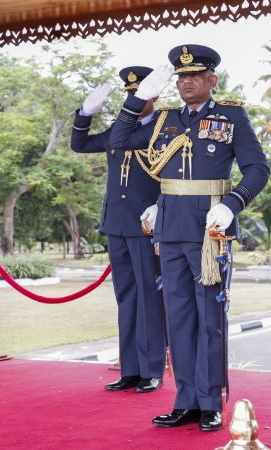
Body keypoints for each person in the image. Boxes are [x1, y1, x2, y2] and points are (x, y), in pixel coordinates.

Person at [109, 45, 270, 432]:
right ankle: (185, 401)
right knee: (178, 318)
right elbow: (119, 138)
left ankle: (210, 401)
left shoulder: (231, 117)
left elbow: (257, 168)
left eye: (195, 75)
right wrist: (140, 98)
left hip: (210, 229)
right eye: (181, 76)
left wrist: (232, 203)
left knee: (209, 318)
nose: (186, 82)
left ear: (212, 80)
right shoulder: (164, 119)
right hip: (170, 228)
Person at [71, 67, 166, 393]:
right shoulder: (118, 129)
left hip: (146, 225)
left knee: (150, 297)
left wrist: (162, 206)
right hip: (117, 224)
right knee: (126, 297)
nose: (133, 101)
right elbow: (80, 145)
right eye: (130, 96)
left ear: (154, 94)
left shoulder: (165, 128)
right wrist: (85, 114)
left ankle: (152, 369)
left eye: (140, 95)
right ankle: (131, 369)